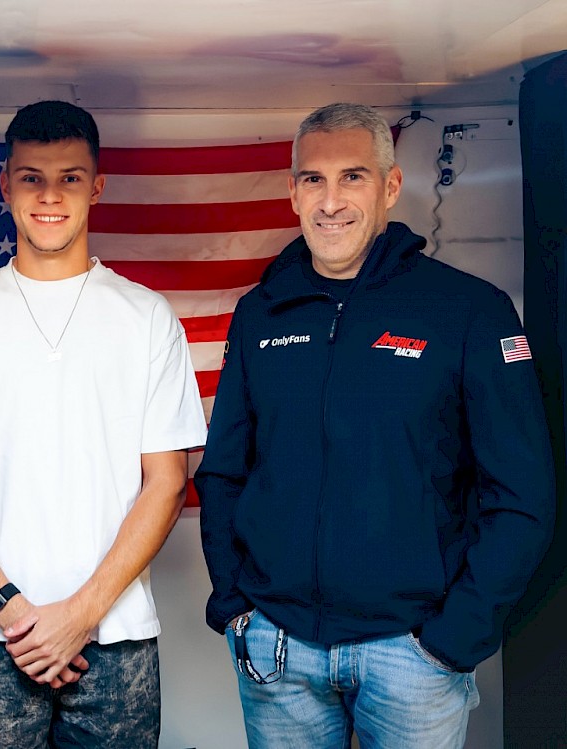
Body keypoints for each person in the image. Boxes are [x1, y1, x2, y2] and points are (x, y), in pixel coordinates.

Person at [196, 102, 555, 748]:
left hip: (413, 656)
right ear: (293, 192)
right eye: (314, 179)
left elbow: (522, 494)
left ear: (390, 186)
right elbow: (223, 471)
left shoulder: (468, 311)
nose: (331, 201)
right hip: (278, 649)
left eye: (352, 177)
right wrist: (236, 606)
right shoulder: (260, 314)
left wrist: (456, 635)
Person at [0, 100, 207, 748]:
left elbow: (166, 482)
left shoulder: (147, 318)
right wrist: (14, 611)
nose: (50, 196)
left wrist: (82, 613)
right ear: (5, 185)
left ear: (96, 187)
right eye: (32, 177)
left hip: (116, 635)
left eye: (69, 177)